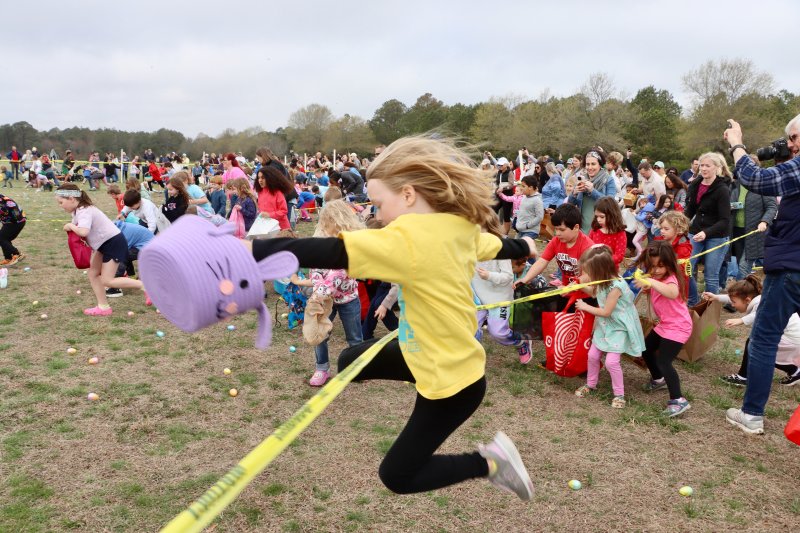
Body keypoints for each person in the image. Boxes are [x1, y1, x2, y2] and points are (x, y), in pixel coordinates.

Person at [247, 136, 537, 500]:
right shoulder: (457, 228)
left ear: (409, 195)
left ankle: (491, 462)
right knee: (349, 360)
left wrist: (251, 249)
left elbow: (332, 250)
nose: (378, 214)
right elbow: (495, 245)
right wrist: (523, 246)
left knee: (397, 475)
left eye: (380, 204)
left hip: (452, 382)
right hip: (425, 351)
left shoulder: (409, 238)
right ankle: (371, 361)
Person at [722, 116, 800, 434]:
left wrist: (737, 144)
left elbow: (755, 178)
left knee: (763, 339)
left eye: (795, 138)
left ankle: (752, 414)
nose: (792, 144)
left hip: (792, 269)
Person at [288, 201, 364, 386]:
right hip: (324, 298)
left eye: (328, 222)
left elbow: (338, 275)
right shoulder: (322, 240)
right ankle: (322, 368)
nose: (325, 226)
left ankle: (359, 368)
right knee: (319, 334)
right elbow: (315, 269)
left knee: (354, 337)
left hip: (347, 299)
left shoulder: (350, 244)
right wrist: (317, 288)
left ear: (339, 222)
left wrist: (318, 294)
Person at [55, 184, 145, 315]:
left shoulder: (84, 210)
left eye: (61, 202)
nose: (60, 205)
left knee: (107, 280)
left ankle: (144, 286)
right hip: (104, 244)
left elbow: (83, 231)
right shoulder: (79, 210)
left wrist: (70, 226)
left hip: (112, 243)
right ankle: (103, 307)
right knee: (93, 273)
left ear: (71, 199)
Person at [574, 245, 645, 408]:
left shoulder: (616, 287)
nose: (587, 276)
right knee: (592, 355)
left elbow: (606, 311)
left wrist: (585, 307)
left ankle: (619, 394)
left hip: (619, 326)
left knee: (612, 362)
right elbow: (593, 293)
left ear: (600, 271)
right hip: (607, 325)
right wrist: (576, 285)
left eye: (589, 272)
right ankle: (591, 384)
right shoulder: (602, 280)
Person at [702, 276, 800, 388]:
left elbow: (760, 313)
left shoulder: (761, 303)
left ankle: (744, 376)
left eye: (734, 302)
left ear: (747, 300)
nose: (732, 305)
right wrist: (716, 297)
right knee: (763, 352)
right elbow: (732, 298)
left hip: (791, 338)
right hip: (793, 338)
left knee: (755, 345)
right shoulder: (759, 298)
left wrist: (741, 320)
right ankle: (795, 371)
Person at [633, 241, 692, 417]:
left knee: (664, 361)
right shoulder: (656, 279)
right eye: (652, 266)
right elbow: (656, 294)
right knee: (646, 349)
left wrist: (650, 281)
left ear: (669, 264)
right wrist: (648, 286)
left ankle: (678, 400)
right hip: (665, 324)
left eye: (661, 266)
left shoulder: (672, 278)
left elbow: (672, 293)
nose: (657, 270)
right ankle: (658, 379)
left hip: (678, 327)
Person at [473, 226, 534, 365]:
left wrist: (489, 276)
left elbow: (507, 276)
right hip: (478, 298)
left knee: (498, 332)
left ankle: (521, 342)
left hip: (499, 298)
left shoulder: (501, 250)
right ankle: (472, 356)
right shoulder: (468, 247)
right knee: (469, 329)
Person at [685, 152, 732, 305]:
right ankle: (692, 301)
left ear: (717, 168)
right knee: (687, 268)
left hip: (717, 234)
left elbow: (725, 220)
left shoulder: (722, 189)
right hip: (696, 230)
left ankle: (711, 308)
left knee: (711, 274)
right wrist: (680, 222)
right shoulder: (695, 184)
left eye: (707, 166)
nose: (703, 169)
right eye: (701, 165)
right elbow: (691, 209)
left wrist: (706, 233)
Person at [516, 203, 594, 288]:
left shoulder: (587, 247)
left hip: (586, 294)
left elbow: (588, 276)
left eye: (562, 230)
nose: (558, 233)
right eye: (556, 229)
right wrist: (525, 279)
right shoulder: (556, 241)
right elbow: (542, 262)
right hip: (566, 289)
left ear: (576, 227)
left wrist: (570, 287)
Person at [728, 166, 777, 280]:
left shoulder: (763, 186)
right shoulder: (734, 185)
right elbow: (727, 203)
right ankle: (747, 291)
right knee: (742, 265)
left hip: (755, 232)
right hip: (736, 231)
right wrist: (732, 205)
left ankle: (740, 293)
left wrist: (764, 221)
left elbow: (771, 206)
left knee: (743, 267)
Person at [568, 149, 617, 233]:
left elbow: (610, 204)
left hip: (600, 228)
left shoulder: (608, 180)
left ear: (600, 165)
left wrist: (592, 191)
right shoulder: (582, 179)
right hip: (582, 227)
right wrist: (574, 193)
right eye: (587, 164)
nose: (590, 167)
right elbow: (571, 204)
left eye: (593, 164)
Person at [655, 211, 693, 298]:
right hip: (660, 278)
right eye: (661, 228)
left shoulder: (683, 246)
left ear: (678, 229)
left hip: (677, 282)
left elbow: (680, 269)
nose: (662, 231)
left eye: (666, 229)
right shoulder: (659, 239)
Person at [588, 197, 627, 268]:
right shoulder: (595, 230)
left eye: (602, 217)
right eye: (597, 216)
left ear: (612, 215)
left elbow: (619, 256)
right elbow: (588, 247)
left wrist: (601, 261)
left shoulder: (620, 234)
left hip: (610, 271)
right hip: (594, 269)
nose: (598, 220)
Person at [512, 176, 543, 240]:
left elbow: (540, 217)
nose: (521, 188)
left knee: (522, 248)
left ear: (530, 187)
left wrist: (527, 226)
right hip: (521, 230)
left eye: (523, 186)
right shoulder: (524, 197)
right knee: (515, 248)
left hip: (530, 231)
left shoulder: (537, 200)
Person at [0, 193, 25, 266]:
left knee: (2, 238)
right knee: (4, 239)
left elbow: (12, 213)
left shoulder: (3, 201)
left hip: (16, 222)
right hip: (11, 221)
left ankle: (17, 254)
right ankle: (8, 258)